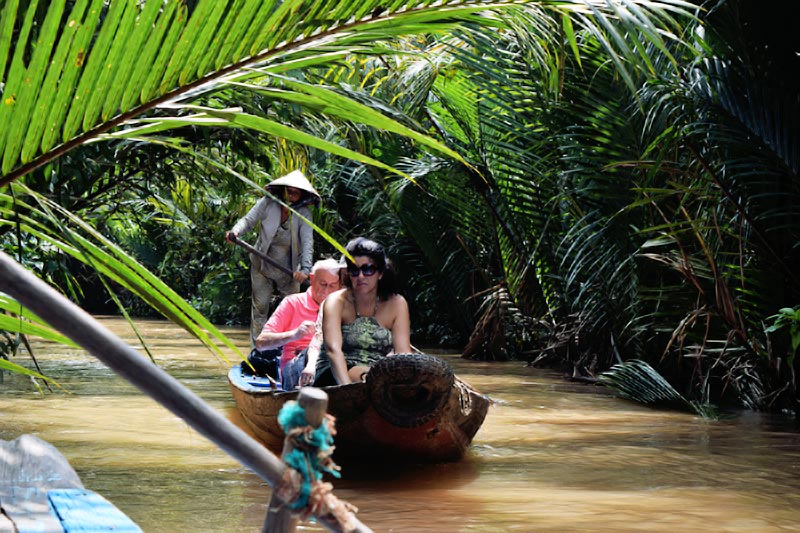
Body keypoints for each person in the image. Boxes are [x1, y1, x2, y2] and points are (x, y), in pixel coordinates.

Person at [225, 169, 320, 347]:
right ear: (282, 190)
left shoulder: (304, 214)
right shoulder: (267, 203)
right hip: (262, 264)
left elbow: (308, 242)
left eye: (295, 192)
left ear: (301, 196)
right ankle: (257, 351)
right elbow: (248, 220)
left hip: (290, 270)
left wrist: (305, 270)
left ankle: (286, 352)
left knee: (291, 311)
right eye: (288, 190)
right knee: (260, 308)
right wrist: (235, 231)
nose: (291, 195)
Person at [312, 237, 411, 386]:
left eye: (368, 269)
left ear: (381, 273)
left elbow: (403, 353)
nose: (360, 276)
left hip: (378, 375)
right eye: (354, 270)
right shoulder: (336, 302)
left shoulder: (397, 303)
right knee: (363, 374)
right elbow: (333, 351)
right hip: (335, 373)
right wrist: (347, 389)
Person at [252, 258, 342, 388]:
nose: (326, 291)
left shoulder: (343, 307)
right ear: (312, 279)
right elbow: (261, 343)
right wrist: (295, 334)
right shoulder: (292, 303)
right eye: (322, 284)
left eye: (332, 285)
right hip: (294, 369)